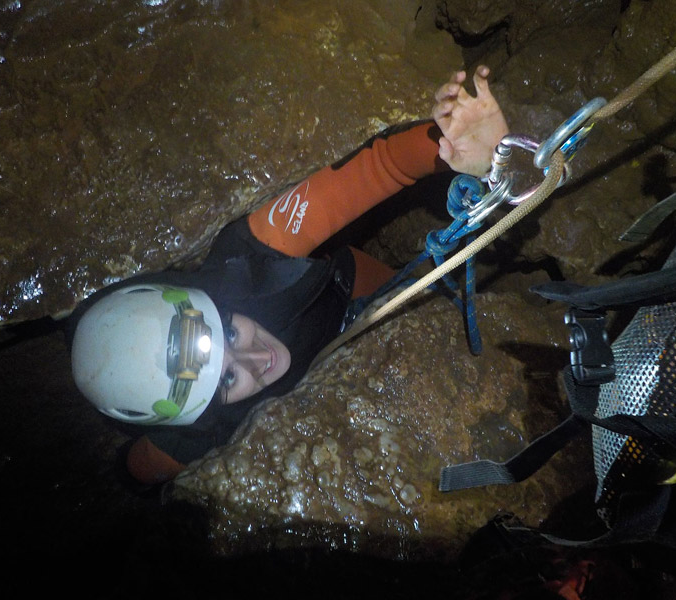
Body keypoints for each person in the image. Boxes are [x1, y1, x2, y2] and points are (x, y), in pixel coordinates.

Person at [69, 66, 509, 486]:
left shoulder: (252, 256)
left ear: (214, 303)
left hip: (343, 294)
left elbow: (381, 166)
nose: (260, 359)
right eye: (226, 381)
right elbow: (139, 469)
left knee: (433, 311)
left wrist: (462, 148)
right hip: (322, 338)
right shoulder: (190, 437)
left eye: (232, 335)